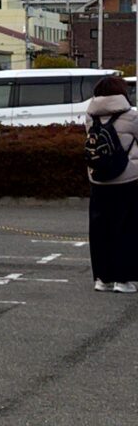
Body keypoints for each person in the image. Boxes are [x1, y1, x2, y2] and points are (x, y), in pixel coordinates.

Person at [85, 76, 138, 293]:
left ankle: (102, 279)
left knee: (100, 230)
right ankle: (124, 280)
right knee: (127, 229)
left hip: (98, 179)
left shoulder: (90, 117)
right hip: (128, 179)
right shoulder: (132, 116)